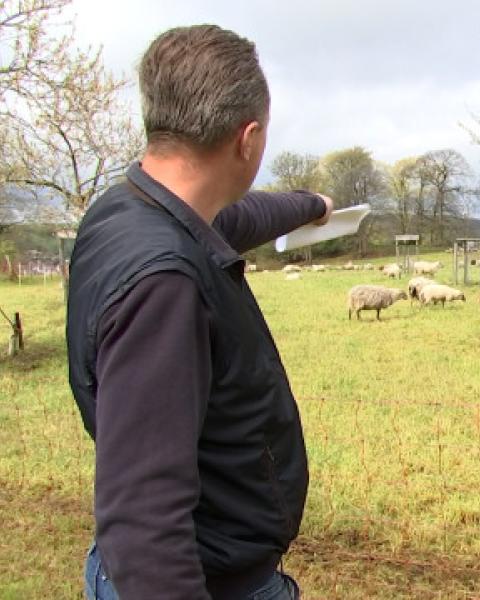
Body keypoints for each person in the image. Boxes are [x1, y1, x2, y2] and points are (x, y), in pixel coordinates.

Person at [67, 25, 334, 599]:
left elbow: (241, 217)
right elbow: (144, 523)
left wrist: (314, 206)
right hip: (206, 581)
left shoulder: (127, 209)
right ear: (249, 138)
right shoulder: (165, 283)